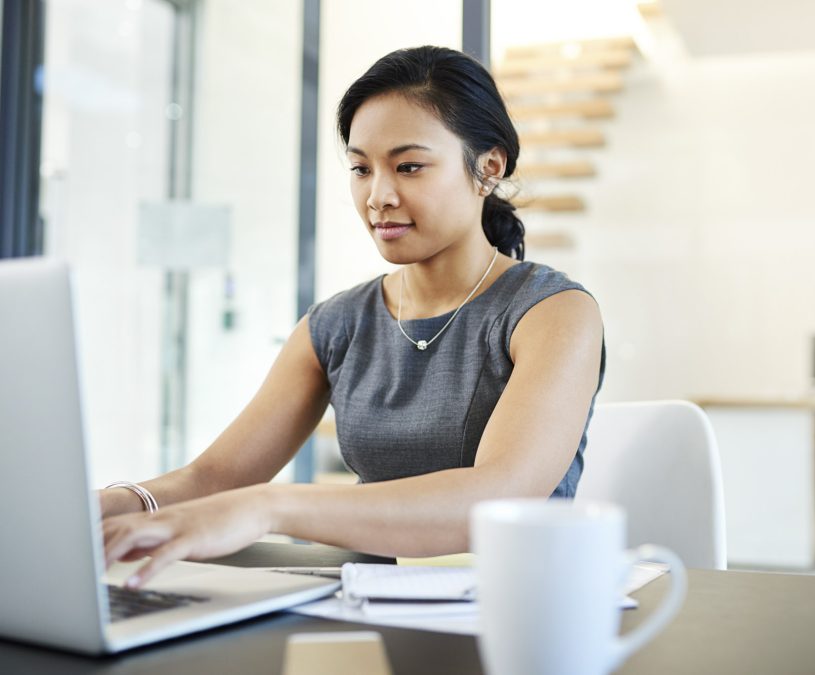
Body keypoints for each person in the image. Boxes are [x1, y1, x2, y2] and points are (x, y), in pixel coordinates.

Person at [101, 46, 605, 588]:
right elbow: (215, 476)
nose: (378, 196)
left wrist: (272, 507)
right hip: (368, 601)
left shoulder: (553, 312)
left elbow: (499, 494)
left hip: (520, 608)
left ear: (488, 167)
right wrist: (112, 505)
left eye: (408, 166)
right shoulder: (336, 323)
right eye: (361, 169)